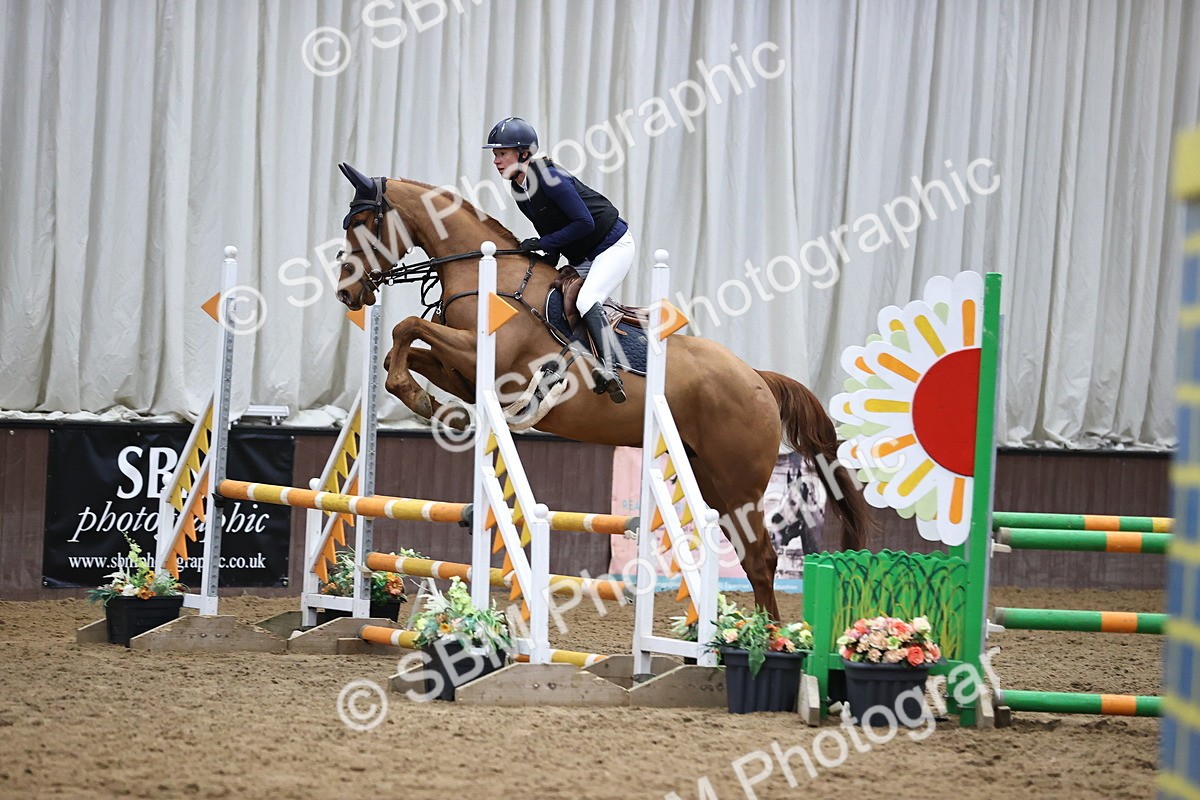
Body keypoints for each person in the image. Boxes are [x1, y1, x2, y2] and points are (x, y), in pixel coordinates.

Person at [483, 116, 634, 403]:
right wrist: (538, 254)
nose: (496, 161)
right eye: (495, 154)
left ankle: (611, 369)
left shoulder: (550, 177)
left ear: (524, 153)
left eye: (502, 153)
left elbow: (584, 223)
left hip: (613, 246)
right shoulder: (519, 188)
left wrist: (541, 244)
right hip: (584, 254)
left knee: (588, 300)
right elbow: (550, 231)